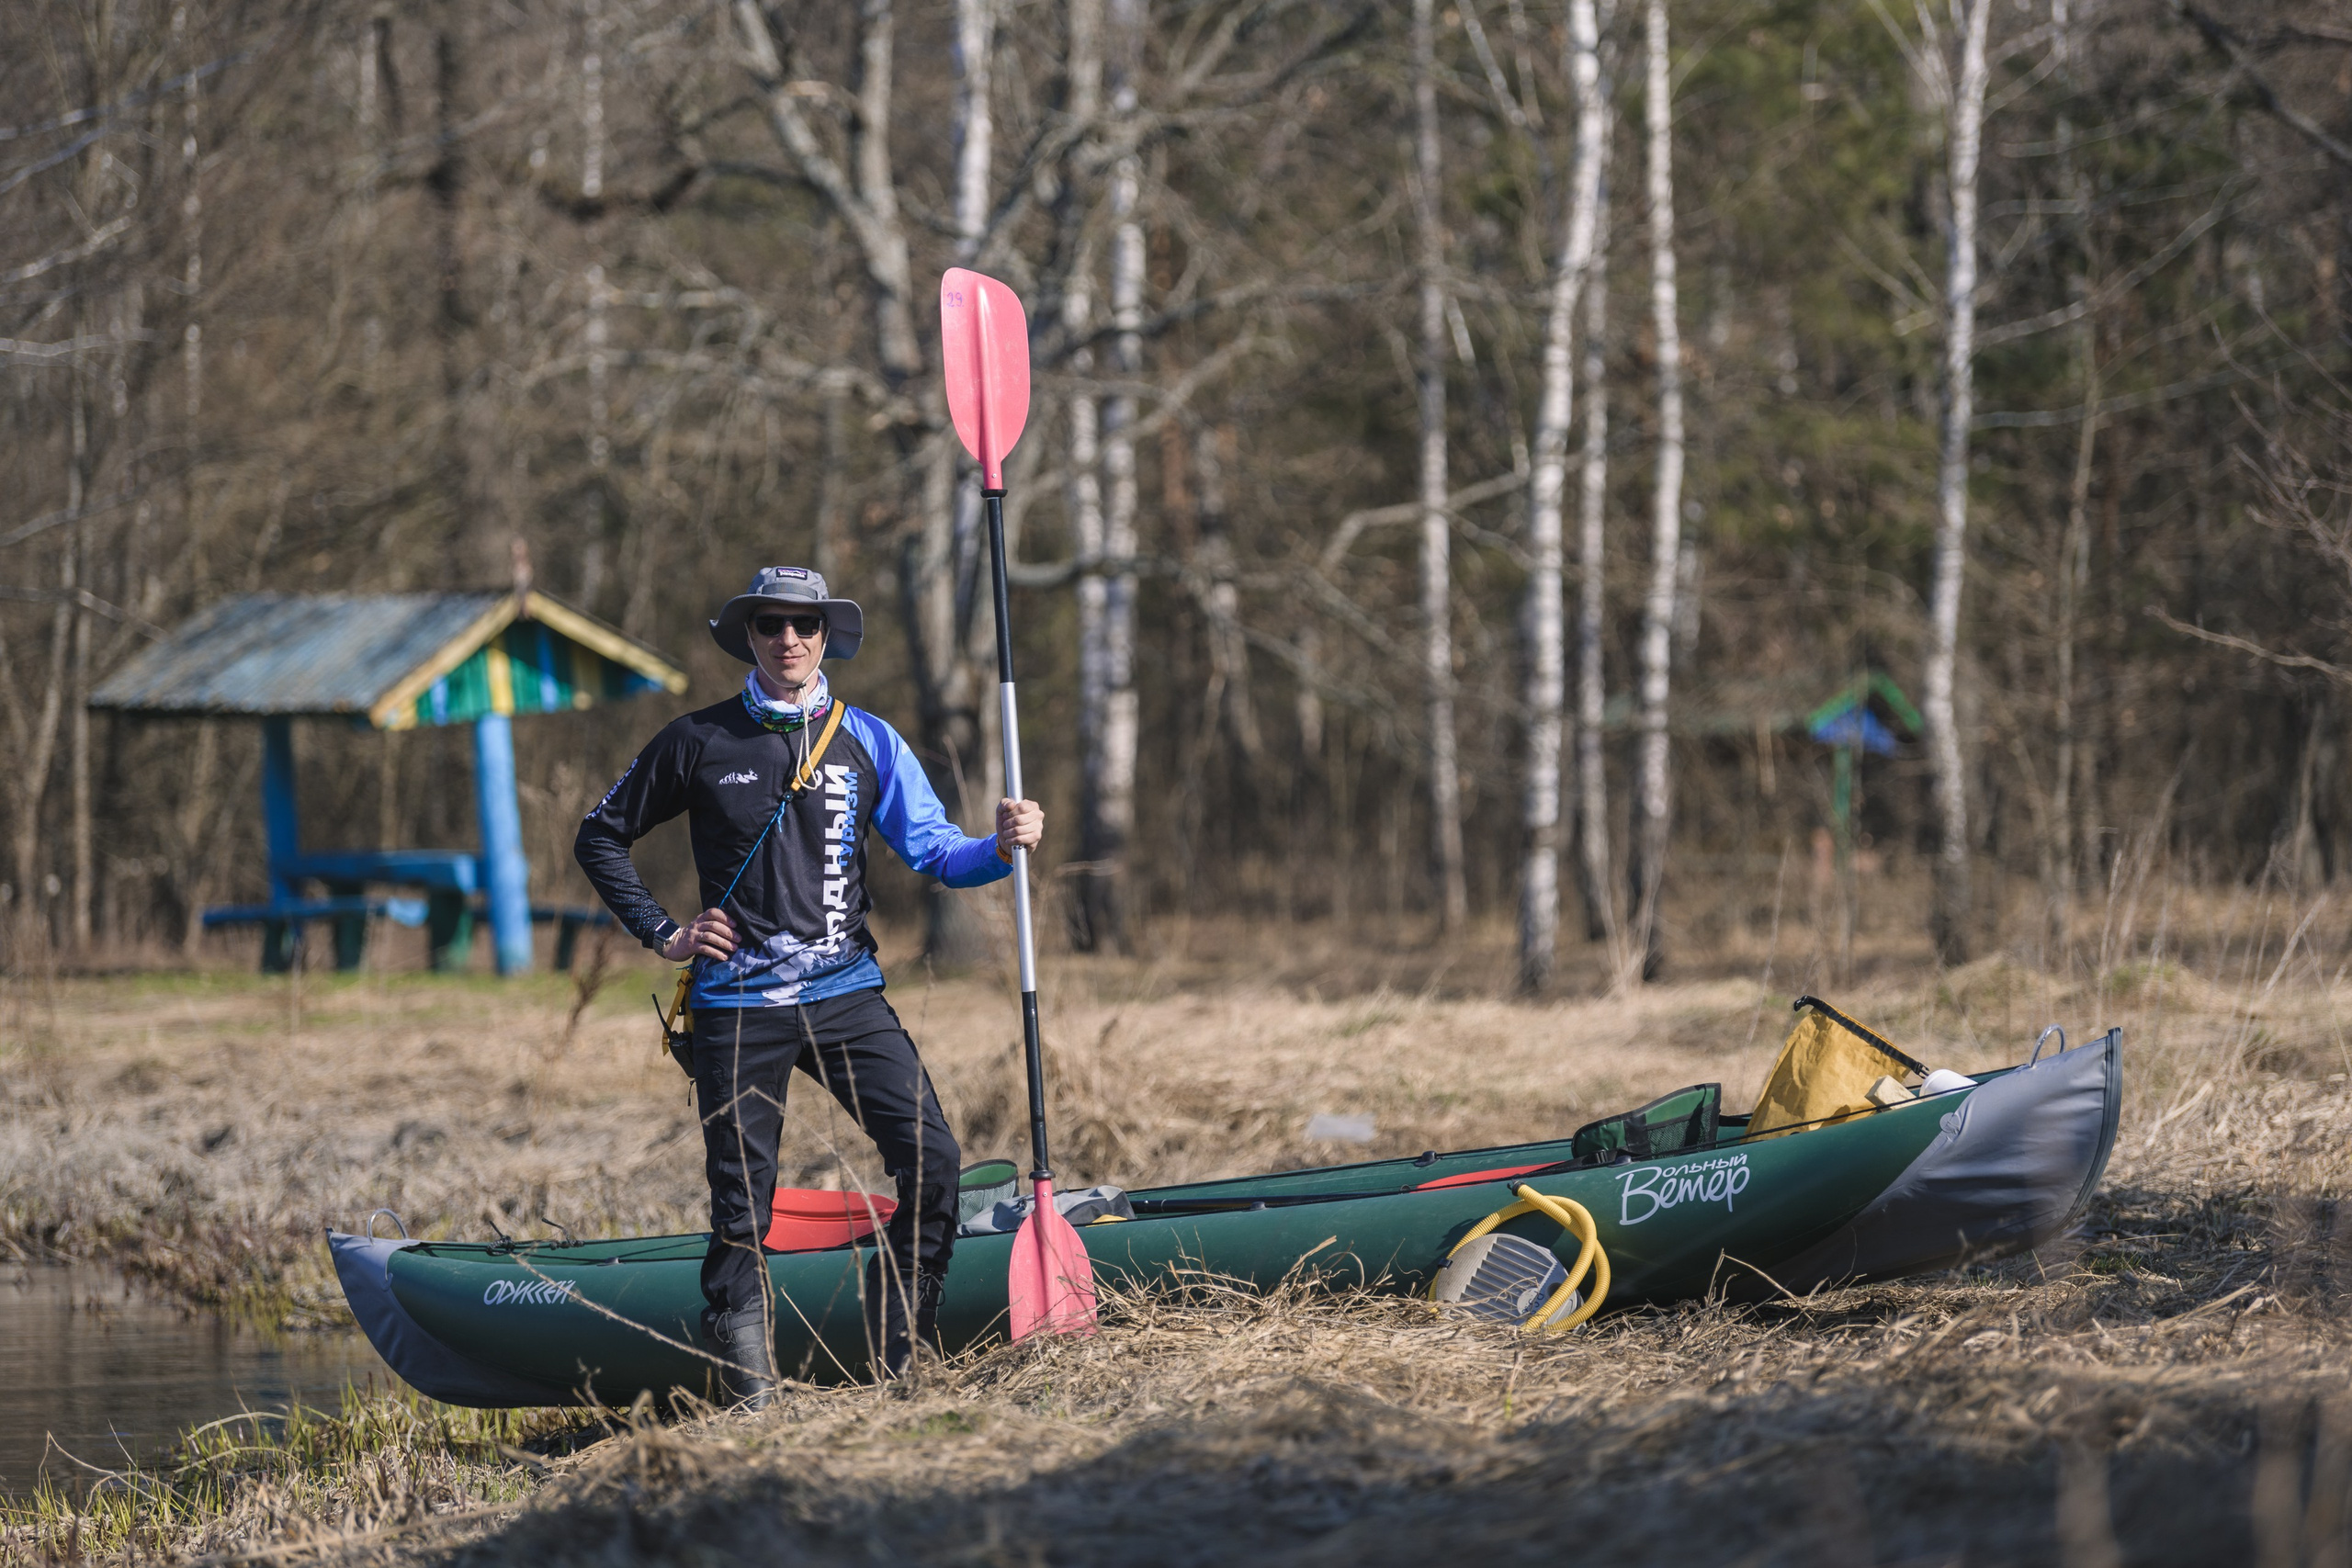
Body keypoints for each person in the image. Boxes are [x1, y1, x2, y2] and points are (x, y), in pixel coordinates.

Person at [574, 566, 1043, 1404]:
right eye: (770, 624)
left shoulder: (870, 738)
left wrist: (1003, 847)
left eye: (805, 624)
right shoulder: (698, 739)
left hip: (845, 992)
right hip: (735, 1006)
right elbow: (598, 834)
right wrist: (664, 932)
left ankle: (897, 1342)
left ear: (827, 635)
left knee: (934, 1160)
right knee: (743, 1208)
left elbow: (938, 853)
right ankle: (750, 1395)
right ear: (748, 636)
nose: (788, 638)